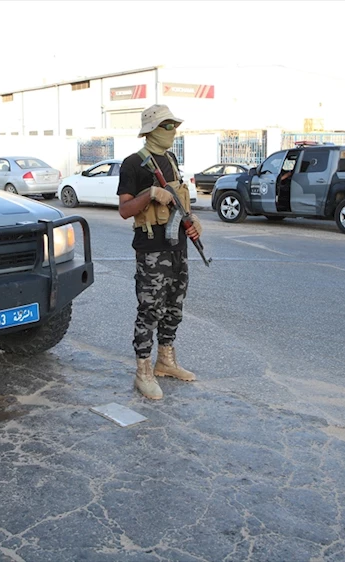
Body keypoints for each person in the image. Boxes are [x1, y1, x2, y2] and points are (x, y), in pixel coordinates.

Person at [116, 104, 201, 400]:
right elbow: (124, 210)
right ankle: (143, 371)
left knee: (174, 307)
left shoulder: (171, 160)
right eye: (167, 126)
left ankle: (165, 361)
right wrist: (150, 194)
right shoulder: (132, 164)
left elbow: (180, 202)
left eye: (173, 125)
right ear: (151, 130)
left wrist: (193, 220)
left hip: (178, 246)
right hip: (151, 250)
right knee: (150, 310)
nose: (172, 131)